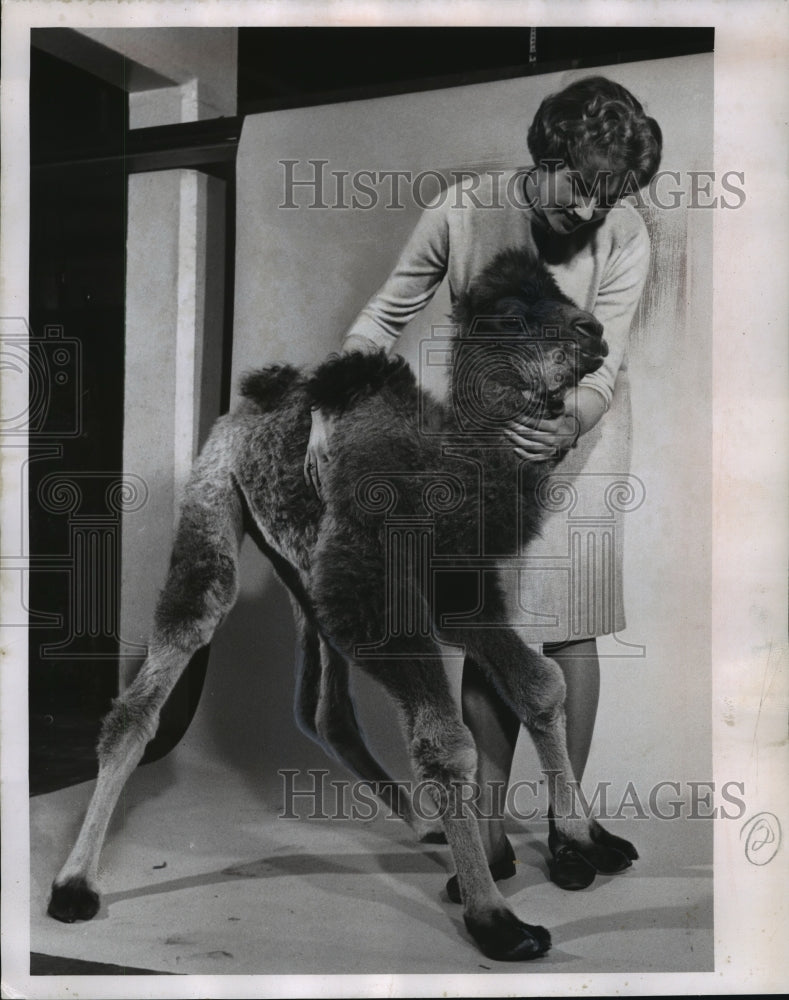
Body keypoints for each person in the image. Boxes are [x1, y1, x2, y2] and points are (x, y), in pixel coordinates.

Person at [304, 76, 662, 890]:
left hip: (587, 439)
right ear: (544, 152)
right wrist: (330, 406)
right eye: (580, 190)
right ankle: (487, 833)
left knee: (574, 626)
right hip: (490, 446)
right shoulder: (462, 210)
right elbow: (381, 318)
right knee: (495, 626)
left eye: (609, 199)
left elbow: (613, 360)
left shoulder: (624, 232)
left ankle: (567, 821)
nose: (590, 214)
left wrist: (572, 417)